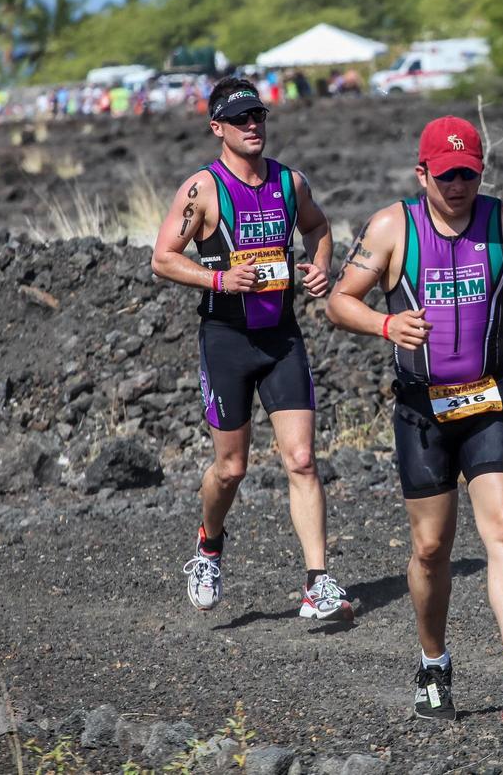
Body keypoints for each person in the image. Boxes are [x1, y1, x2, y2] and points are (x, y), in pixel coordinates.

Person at [326, 116, 503, 725]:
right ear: (423, 174)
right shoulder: (393, 228)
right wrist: (385, 324)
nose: (459, 186)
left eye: (468, 174)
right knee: (432, 547)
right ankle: (434, 662)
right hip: (422, 408)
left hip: (492, 397)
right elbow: (339, 302)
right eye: (447, 176)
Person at [150, 77, 353, 623]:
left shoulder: (290, 183)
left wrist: (320, 265)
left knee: (303, 460)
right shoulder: (203, 190)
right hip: (227, 341)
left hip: (281, 336)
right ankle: (209, 546)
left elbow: (319, 228)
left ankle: (318, 583)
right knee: (232, 467)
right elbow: (163, 258)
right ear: (217, 128)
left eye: (258, 116)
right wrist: (220, 282)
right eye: (240, 120)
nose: (252, 126)